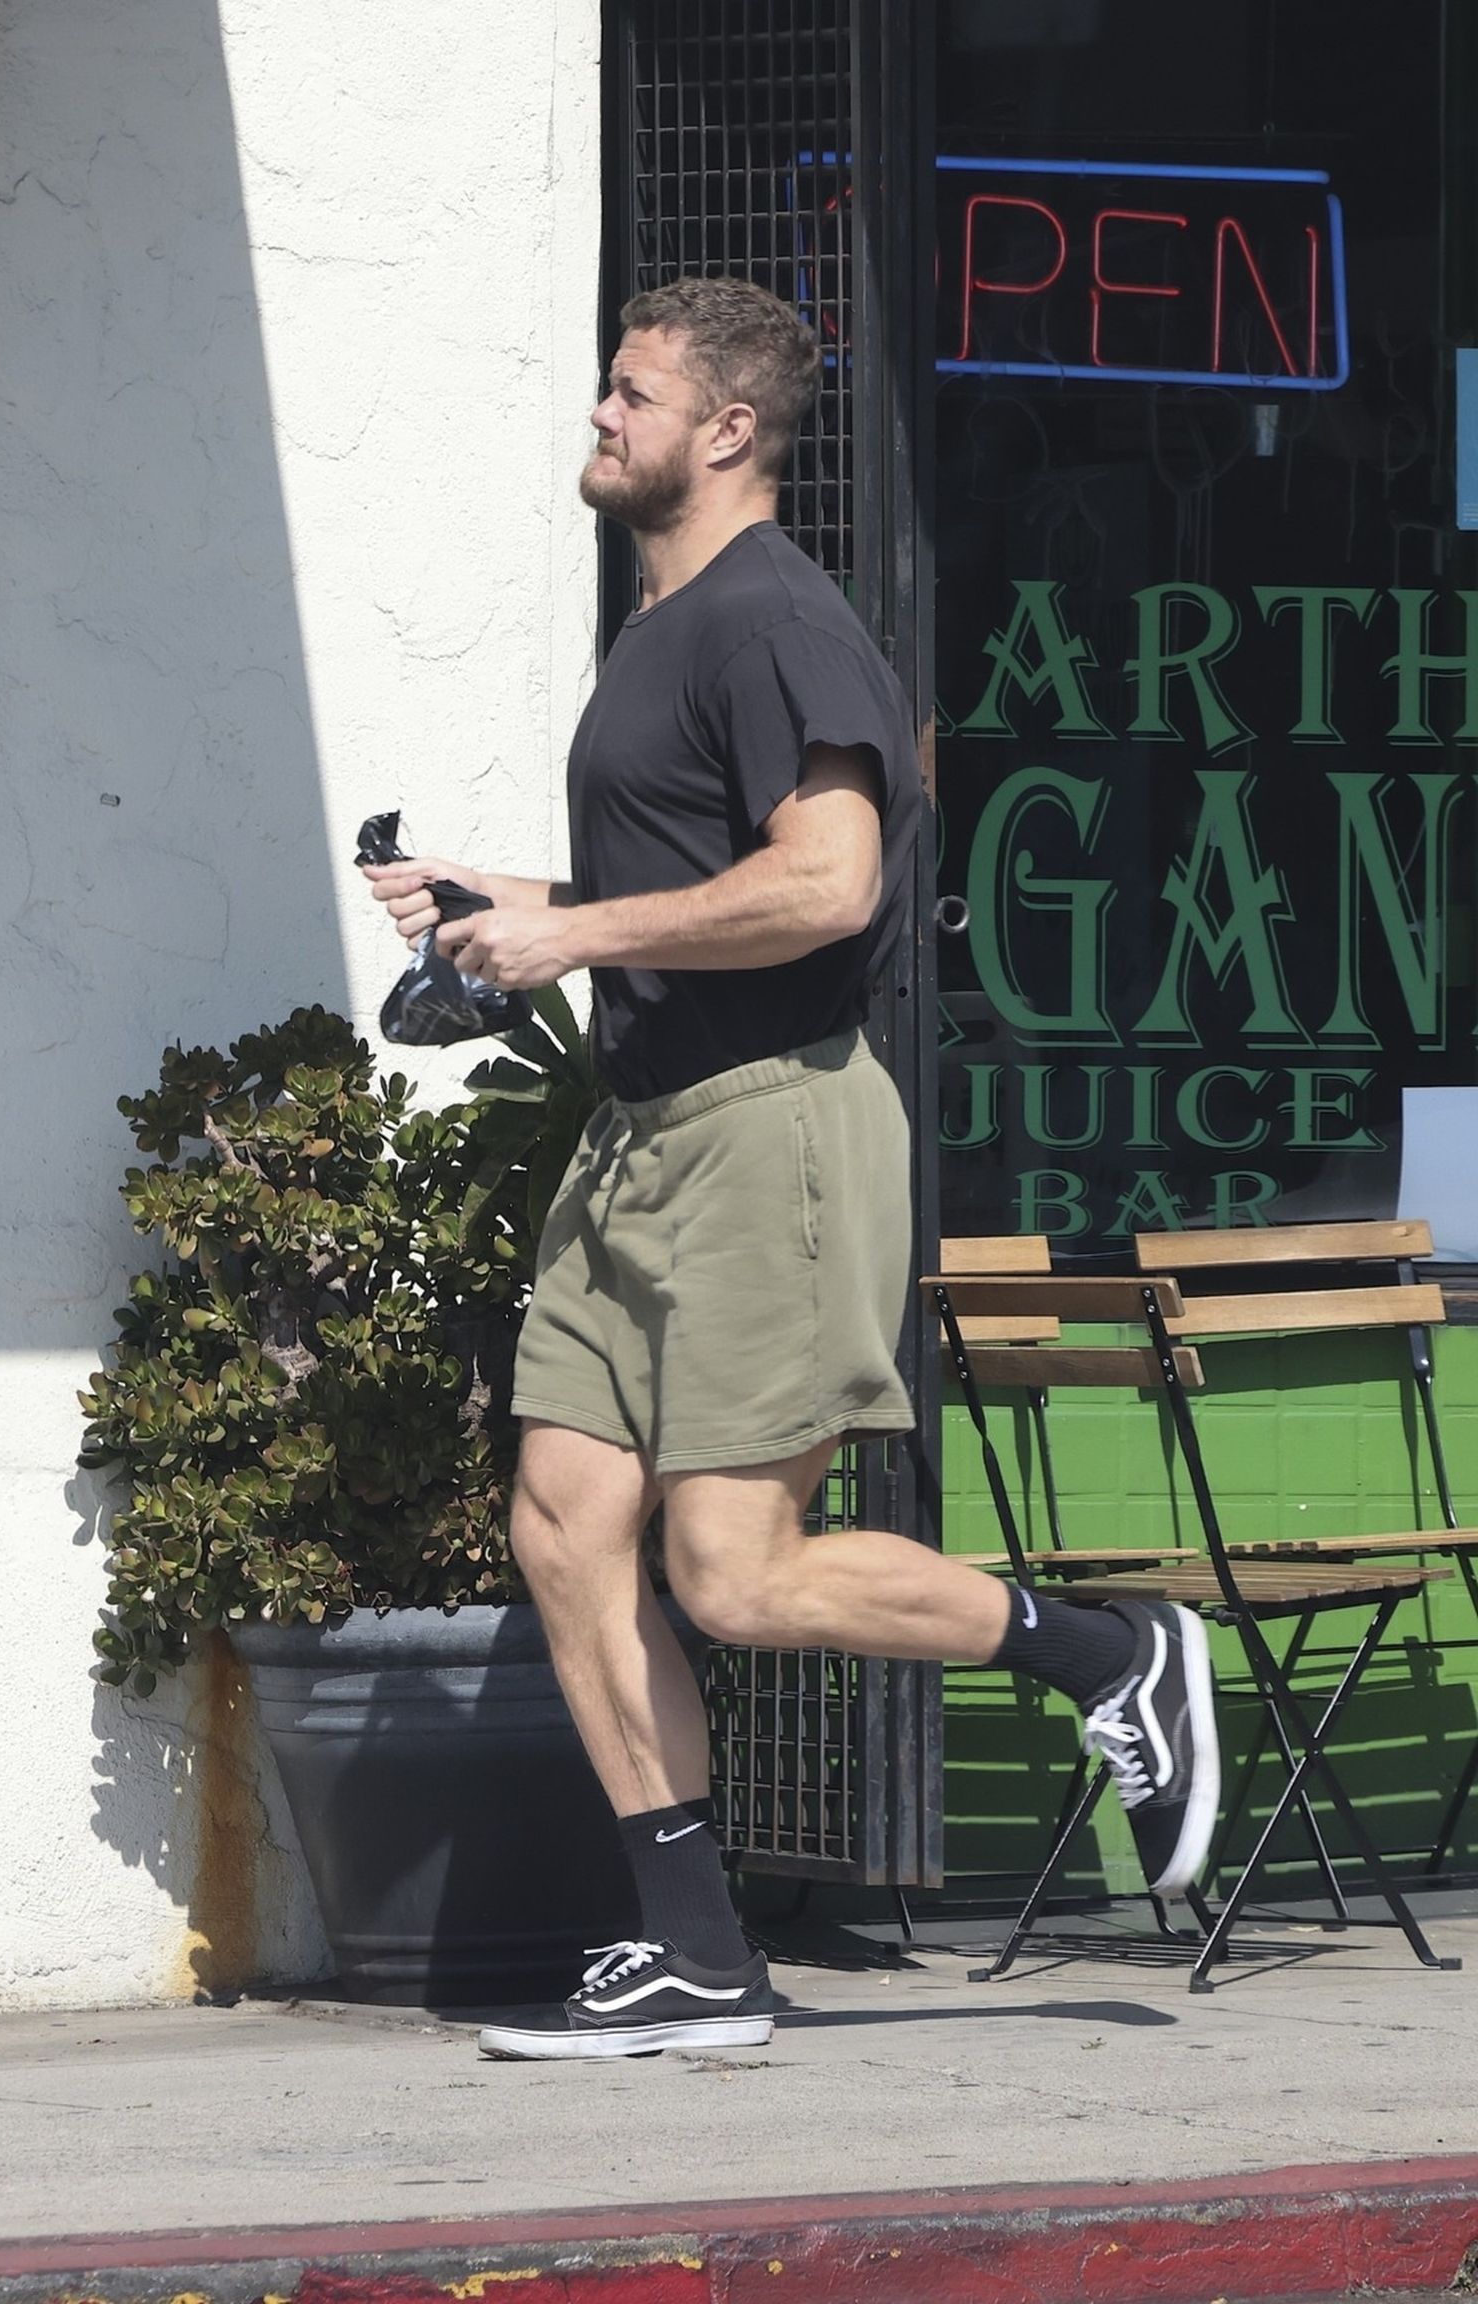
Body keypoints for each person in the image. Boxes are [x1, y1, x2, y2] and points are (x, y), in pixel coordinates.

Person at [361, 276, 1220, 2063]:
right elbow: (690, 891)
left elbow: (829, 885)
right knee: (563, 1522)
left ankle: (1104, 1653)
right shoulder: (666, 626)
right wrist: (497, 901)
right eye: (607, 385)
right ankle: (695, 1953)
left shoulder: (771, 620)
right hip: (643, 1137)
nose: (602, 413)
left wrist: (573, 932)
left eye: (633, 391)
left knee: (736, 1572)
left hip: (771, 1131)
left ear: (728, 428)